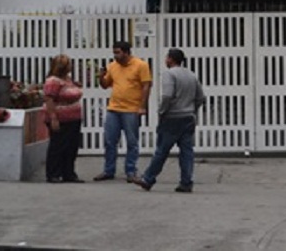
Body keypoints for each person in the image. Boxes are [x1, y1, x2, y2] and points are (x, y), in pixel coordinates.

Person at [134, 48, 205, 193]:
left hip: (172, 118)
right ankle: (186, 182)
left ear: (171, 59)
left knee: (162, 150)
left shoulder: (169, 74)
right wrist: (192, 109)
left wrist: (162, 111)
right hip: (188, 117)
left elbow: (167, 95)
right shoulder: (191, 75)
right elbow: (201, 97)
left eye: (167, 57)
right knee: (187, 151)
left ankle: (148, 179)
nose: (165, 60)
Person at [94, 40, 152, 182]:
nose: (115, 55)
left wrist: (142, 106)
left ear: (126, 52)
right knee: (109, 141)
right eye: (114, 52)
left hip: (131, 109)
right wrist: (101, 77)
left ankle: (131, 171)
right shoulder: (112, 66)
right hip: (113, 108)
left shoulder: (141, 65)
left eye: (118, 52)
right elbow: (105, 85)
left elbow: (146, 86)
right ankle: (109, 170)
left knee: (132, 142)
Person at [43, 54, 84, 183]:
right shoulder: (53, 81)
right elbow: (49, 99)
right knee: (58, 146)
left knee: (71, 146)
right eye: (69, 64)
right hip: (61, 118)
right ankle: (53, 173)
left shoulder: (68, 79)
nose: (71, 66)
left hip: (73, 118)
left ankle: (69, 173)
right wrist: (53, 118)